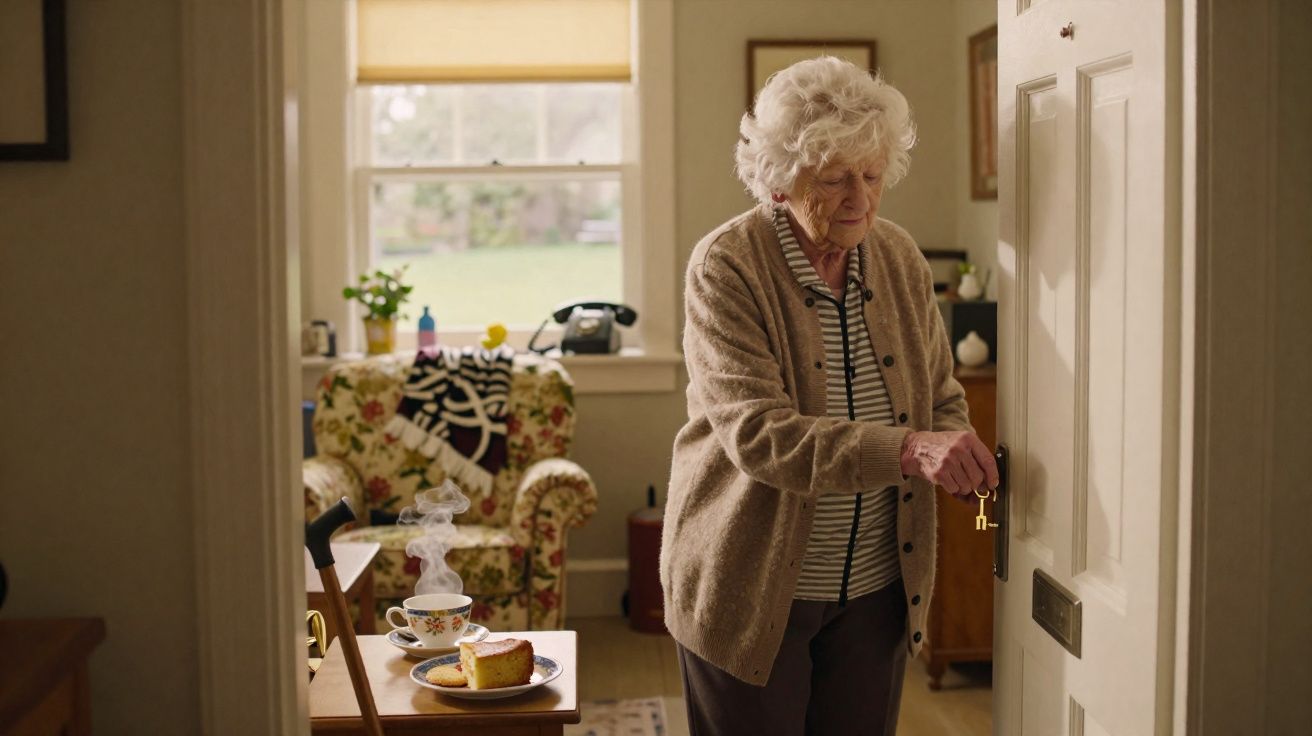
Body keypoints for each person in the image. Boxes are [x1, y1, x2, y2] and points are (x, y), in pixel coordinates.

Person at [660, 56, 999, 735]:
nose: (860, 199)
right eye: (835, 178)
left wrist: (954, 451)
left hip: (877, 585)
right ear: (782, 180)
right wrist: (909, 450)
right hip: (750, 587)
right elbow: (760, 434)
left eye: (872, 176)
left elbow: (939, 393)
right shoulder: (727, 265)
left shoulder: (898, 256)